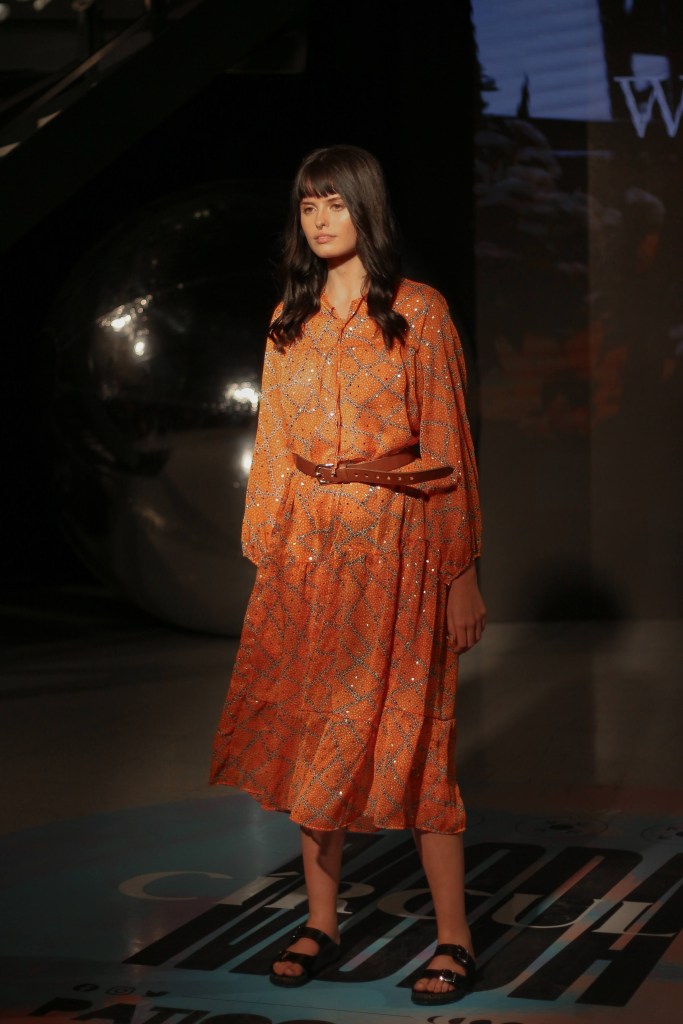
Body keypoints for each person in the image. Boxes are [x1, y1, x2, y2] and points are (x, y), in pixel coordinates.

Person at [210, 144, 486, 1007]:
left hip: (399, 551)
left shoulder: (418, 313)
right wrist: (268, 555)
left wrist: (461, 572)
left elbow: (448, 448)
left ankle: (454, 938)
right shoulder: (286, 322)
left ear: (367, 210)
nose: (320, 219)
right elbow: (273, 450)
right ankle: (320, 921)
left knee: (419, 741)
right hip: (308, 560)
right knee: (313, 738)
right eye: (307, 205)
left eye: (334, 202)